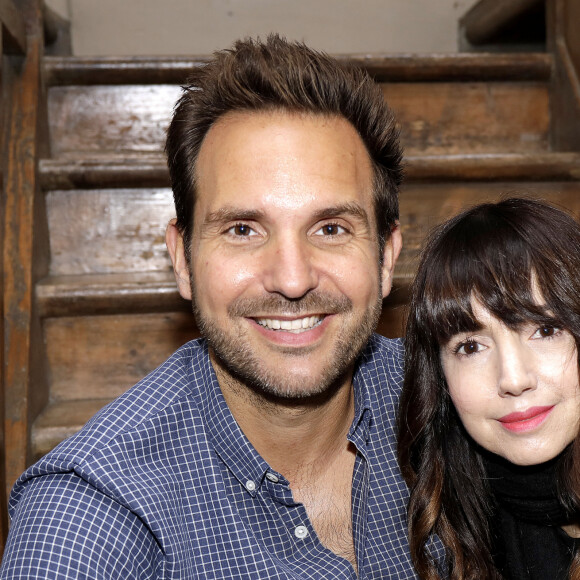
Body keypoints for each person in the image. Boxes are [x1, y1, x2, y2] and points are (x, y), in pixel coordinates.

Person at [0, 35, 444, 578]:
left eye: (330, 228)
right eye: (242, 229)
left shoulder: (457, 401)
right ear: (182, 260)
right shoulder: (83, 520)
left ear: (385, 259)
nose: (292, 278)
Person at [398, 197, 580, 580]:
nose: (513, 379)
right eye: (470, 347)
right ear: (440, 381)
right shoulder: (452, 523)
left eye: (545, 330)